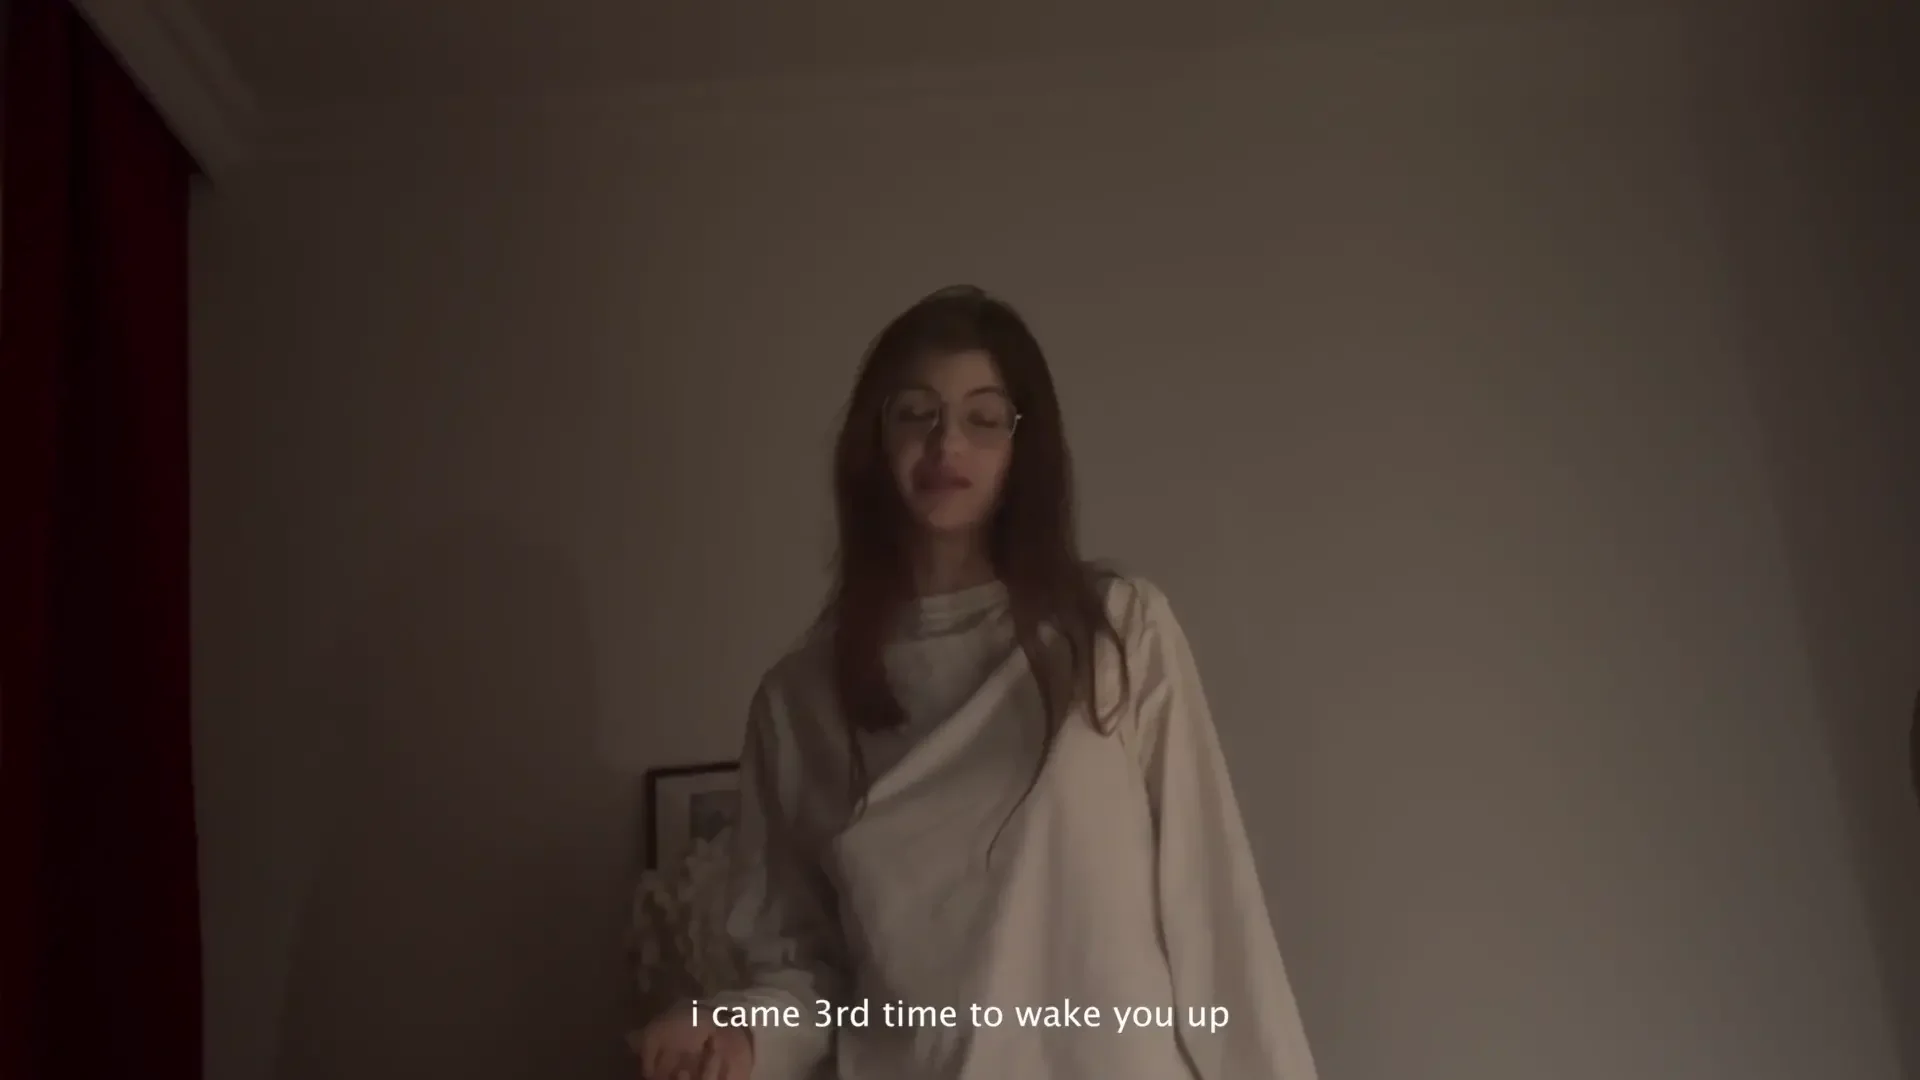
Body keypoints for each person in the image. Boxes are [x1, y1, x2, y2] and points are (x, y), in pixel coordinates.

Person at [634, 286, 1318, 1080]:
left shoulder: (1115, 631)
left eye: (983, 418)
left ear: (1024, 447)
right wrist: (740, 1033)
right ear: (874, 440)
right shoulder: (799, 700)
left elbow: (1216, 915)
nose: (946, 442)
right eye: (916, 413)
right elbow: (802, 974)